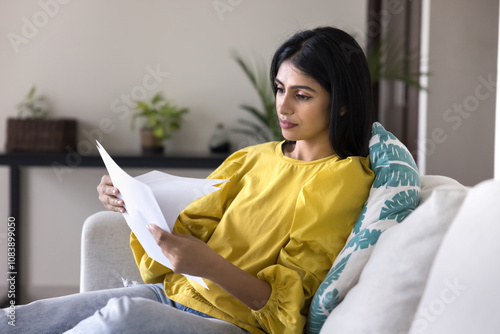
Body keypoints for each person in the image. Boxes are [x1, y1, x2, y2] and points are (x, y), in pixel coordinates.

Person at [2, 26, 375, 334]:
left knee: (120, 320)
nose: (283, 106)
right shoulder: (253, 158)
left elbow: (284, 309)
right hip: (174, 297)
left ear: (341, 103)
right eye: (279, 88)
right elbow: (182, 237)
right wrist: (131, 203)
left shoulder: (341, 178)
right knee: (15, 320)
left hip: (236, 324)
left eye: (302, 95)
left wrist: (209, 264)